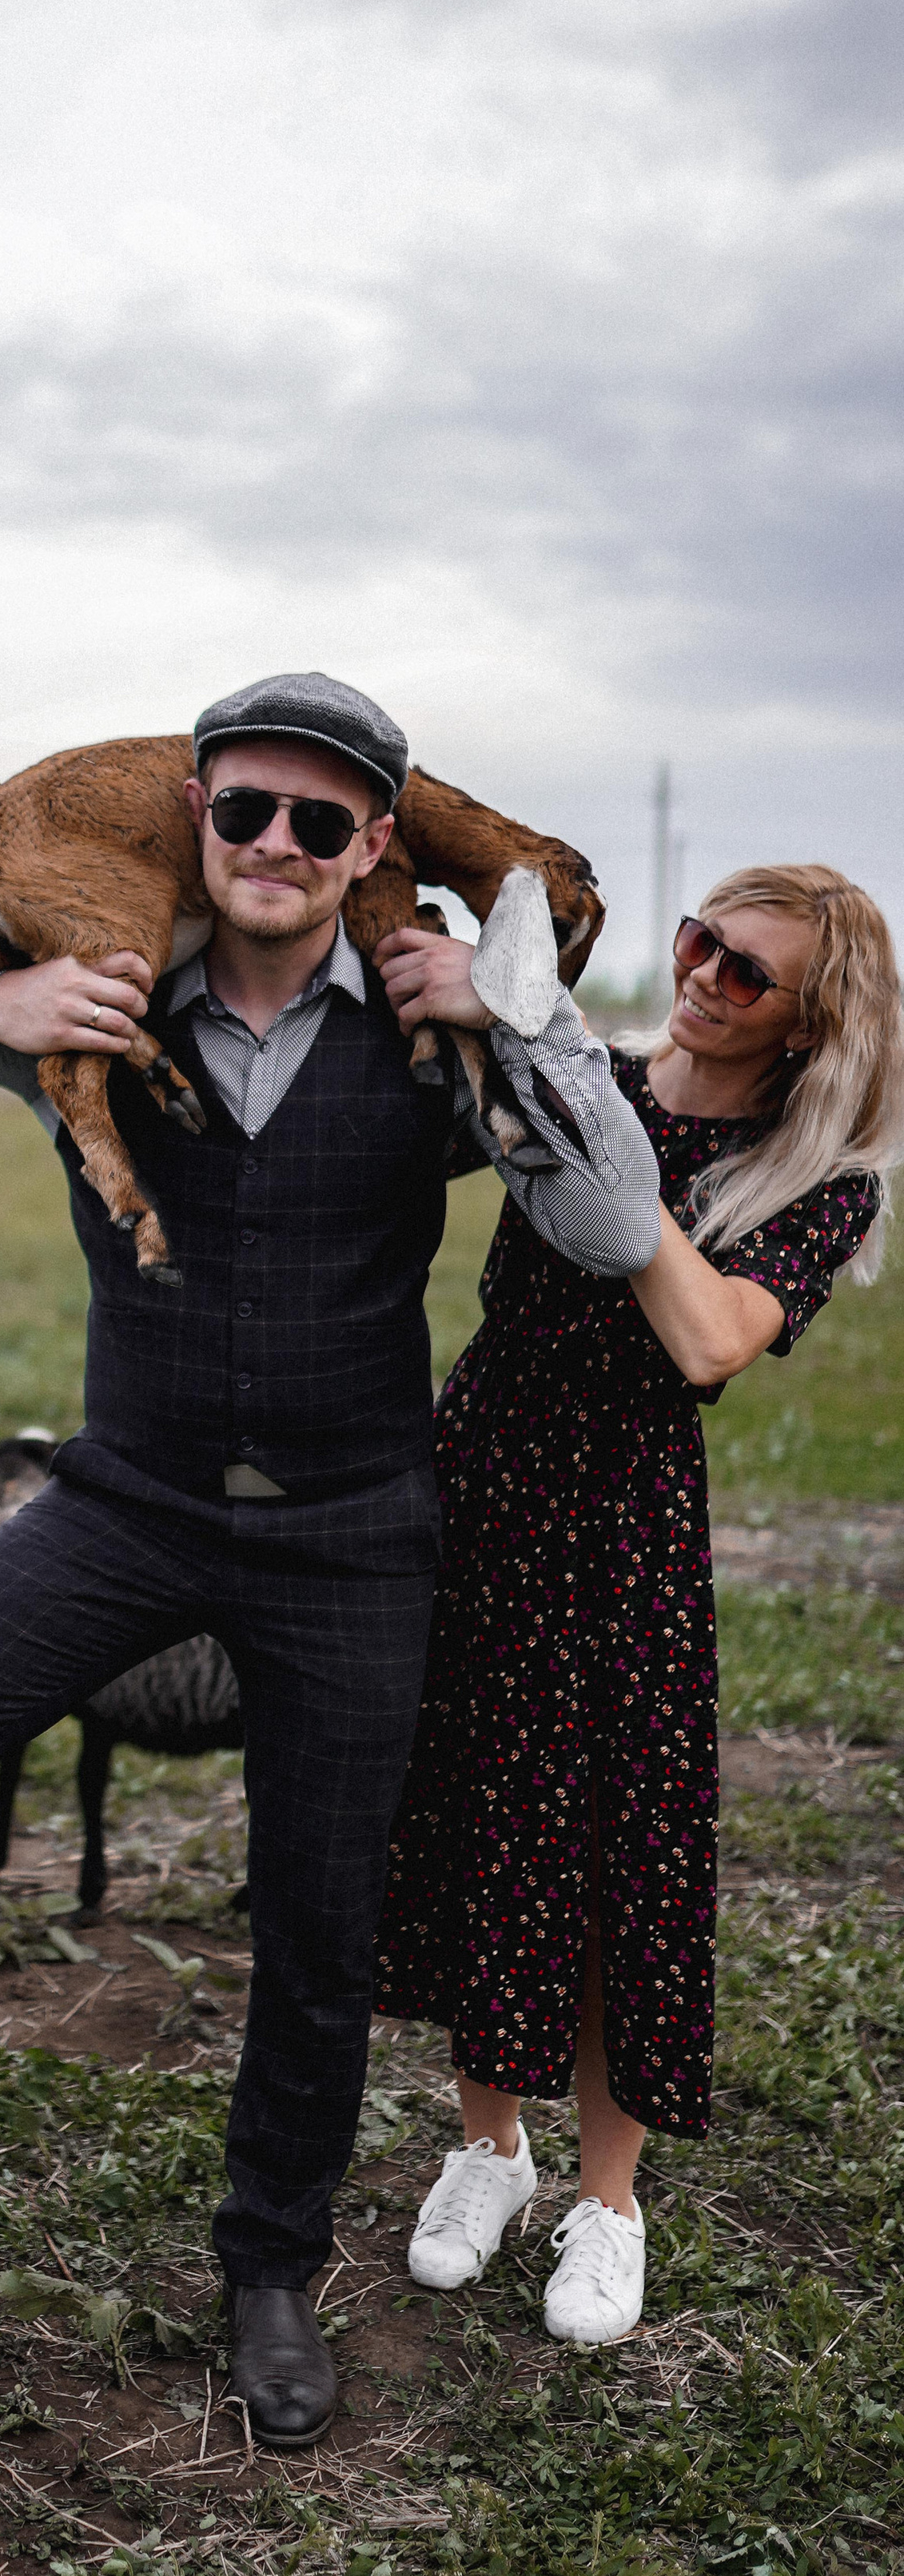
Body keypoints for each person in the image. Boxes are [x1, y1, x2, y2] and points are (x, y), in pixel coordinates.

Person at [0, 671, 663, 2449]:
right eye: (243, 809)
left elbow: (615, 1219)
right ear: (191, 814)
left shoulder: (435, 1035)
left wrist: (524, 1014)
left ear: (371, 848)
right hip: (127, 1502)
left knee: (313, 1917)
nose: (276, 845)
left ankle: (264, 2271)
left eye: (323, 822)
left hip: (347, 1535)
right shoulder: (92, 1006)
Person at [375, 869, 902, 2344]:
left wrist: (606, 1143)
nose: (708, 976)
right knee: (479, 1812)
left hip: (624, 1526)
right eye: (701, 942)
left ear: (811, 1025)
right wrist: (545, 1060)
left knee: (618, 1856)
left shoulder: (816, 1178)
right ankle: (488, 2147)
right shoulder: (576, 1073)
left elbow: (710, 1338)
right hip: (476, 1476)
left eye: (751, 974)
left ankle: (610, 2203)